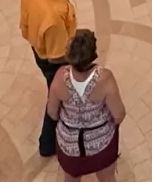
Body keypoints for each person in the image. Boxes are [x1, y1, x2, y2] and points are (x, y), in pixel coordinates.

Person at [20, 0, 78, 158]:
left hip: (38, 47)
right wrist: (77, 63)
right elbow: (57, 57)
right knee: (56, 98)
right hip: (52, 60)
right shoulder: (52, 18)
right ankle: (47, 143)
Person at [47, 30, 125, 176]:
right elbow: (119, 114)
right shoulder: (105, 78)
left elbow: (52, 112)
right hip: (102, 145)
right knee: (107, 178)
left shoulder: (60, 76)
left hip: (69, 147)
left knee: (70, 178)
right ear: (93, 53)